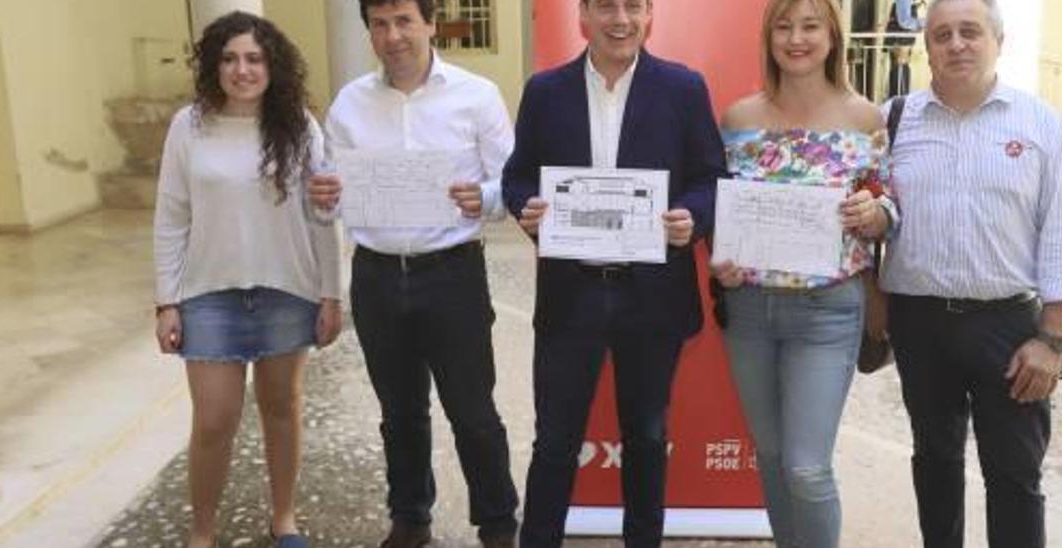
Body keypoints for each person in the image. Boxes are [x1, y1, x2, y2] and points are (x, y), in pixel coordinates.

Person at [501, 0, 726, 545]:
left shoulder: (682, 88)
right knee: (554, 440)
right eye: (606, 6)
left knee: (647, 436)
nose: (619, 19)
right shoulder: (545, 91)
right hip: (570, 293)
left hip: (652, 294)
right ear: (583, 14)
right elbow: (517, 176)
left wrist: (691, 218)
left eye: (634, 6)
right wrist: (528, 206)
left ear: (649, 14)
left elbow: (712, 177)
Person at [305, 1, 519, 546]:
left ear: (429, 22)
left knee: (472, 409)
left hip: (452, 274)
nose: (393, 35)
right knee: (399, 411)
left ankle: (497, 522)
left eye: (404, 20)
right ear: (369, 31)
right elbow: (331, 200)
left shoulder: (476, 95)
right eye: (380, 24)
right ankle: (410, 517)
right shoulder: (350, 104)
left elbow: (510, 182)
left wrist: (484, 198)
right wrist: (324, 197)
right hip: (376, 275)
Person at [881, 0, 1062, 546]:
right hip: (919, 324)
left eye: (970, 32)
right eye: (942, 35)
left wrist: (1052, 339)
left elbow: (1061, 234)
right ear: (927, 48)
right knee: (935, 462)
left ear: (999, 40)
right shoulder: (894, 121)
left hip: (1009, 328)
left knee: (1015, 475)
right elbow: (867, 214)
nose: (956, 44)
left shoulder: (1039, 122)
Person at [709, 0, 898, 546]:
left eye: (811, 25)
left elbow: (892, 210)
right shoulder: (738, 119)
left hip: (829, 313)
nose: (797, 38)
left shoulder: (865, 118)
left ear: (833, 36)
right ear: (768, 38)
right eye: (784, 27)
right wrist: (720, 257)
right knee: (770, 457)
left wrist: (874, 215)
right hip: (749, 312)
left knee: (807, 468)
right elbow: (720, 212)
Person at [153, 11, 341, 548]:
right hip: (208, 297)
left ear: (272, 65)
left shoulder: (300, 126)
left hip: (287, 292)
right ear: (213, 66)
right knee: (213, 421)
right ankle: (202, 532)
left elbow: (323, 215)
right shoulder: (187, 127)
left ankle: (284, 519)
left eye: (254, 58)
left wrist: (331, 293)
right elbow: (171, 217)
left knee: (281, 409)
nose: (242, 69)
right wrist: (166, 301)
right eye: (230, 58)